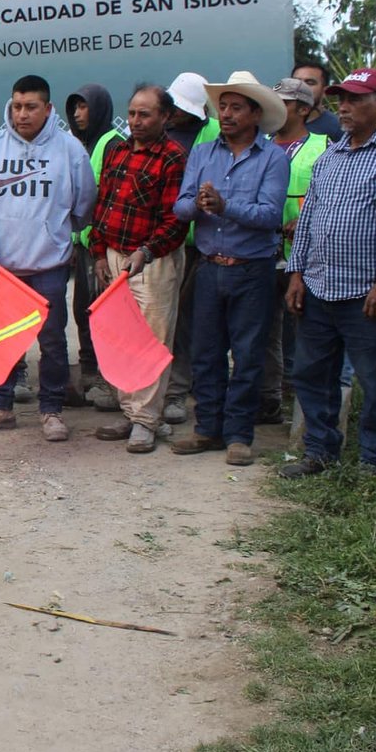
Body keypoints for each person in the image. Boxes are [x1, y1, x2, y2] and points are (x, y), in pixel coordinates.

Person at [280, 68, 376, 479]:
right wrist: (297, 273)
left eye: (356, 99)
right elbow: (308, 221)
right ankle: (320, 452)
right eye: (341, 98)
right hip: (320, 288)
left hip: (368, 294)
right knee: (311, 375)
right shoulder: (330, 156)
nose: (344, 106)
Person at [0, 75, 95, 441]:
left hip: (49, 266)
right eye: (17, 106)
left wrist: (55, 234)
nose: (22, 114)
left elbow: (84, 205)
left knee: (51, 341)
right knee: (1, 341)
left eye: (31, 107)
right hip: (1, 267)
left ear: (48, 109)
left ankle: (51, 410)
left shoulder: (70, 150)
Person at [170, 71, 291, 465]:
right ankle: (208, 428)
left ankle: (239, 435)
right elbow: (180, 207)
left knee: (247, 353)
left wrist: (224, 206)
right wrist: (198, 204)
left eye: (236, 107)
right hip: (208, 266)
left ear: (256, 114)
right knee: (205, 353)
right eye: (223, 106)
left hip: (252, 269)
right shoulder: (203, 154)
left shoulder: (272, 157)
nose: (226, 113)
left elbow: (270, 214)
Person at [89, 85, 190, 453]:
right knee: (122, 338)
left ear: (166, 117)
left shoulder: (172, 157)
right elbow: (103, 205)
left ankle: (146, 420)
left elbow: (175, 221)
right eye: (132, 113)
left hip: (153, 260)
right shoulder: (116, 149)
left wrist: (146, 253)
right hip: (114, 256)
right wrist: (99, 252)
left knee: (151, 341)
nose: (135, 121)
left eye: (144, 114)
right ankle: (130, 412)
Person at [260, 76, 328, 423]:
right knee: (266, 332)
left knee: (307, 335)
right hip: (263, 253)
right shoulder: (261, 145)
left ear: (303, 109)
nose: (274, 110)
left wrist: (304, 221)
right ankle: (269, 402)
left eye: (283, 104)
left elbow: (331, 197)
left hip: (305, 258)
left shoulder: (324, 145)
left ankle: (307, 415)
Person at [159, 71, 222, 424]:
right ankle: (151, 389)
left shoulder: (213, 135)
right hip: (160, 245)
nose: (175, 112)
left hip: (200, 244)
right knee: (157, 321)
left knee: (188, 323)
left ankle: (178, 392)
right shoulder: (158, 131)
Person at [65, 82, 117, 393]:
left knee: (103, 310)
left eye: (83, 106)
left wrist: (97, 246)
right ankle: (87, 367)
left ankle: (106, 374)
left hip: (104, 246)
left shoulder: (112, 144)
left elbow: (106, 199)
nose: (77, 113)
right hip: (82, 243)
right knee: (82, 306)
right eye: (74, 107)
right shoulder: (76, 145)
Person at [293, 61, 342, 140]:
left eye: (310, 83)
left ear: (324, 91)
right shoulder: (275, 124)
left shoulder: (338, 129)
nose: (301, 87)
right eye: (295, 83)